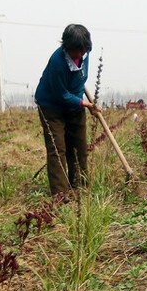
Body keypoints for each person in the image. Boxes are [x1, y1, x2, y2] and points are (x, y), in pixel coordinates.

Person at [34, 24, 95, 195]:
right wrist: (85, 104)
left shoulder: (85, 52)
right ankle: (60, 194)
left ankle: (79, 187)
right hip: (52, 105)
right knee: (57, 148)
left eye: (84, 50)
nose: (82, 54)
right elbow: (61, 95)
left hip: (75, 103)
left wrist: (83, 102)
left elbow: (81, 77)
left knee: (79, 145)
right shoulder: (57, 63)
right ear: (67, 48)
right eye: (78, 51)